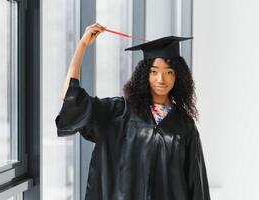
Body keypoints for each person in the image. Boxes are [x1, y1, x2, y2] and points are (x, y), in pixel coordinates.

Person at [55, 22, 211, 200]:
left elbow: (197, 187)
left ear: (178, 76)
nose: (161, 79)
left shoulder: (185, 126)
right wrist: (81, 46)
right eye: (154, 71)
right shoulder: (118, 113)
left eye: (169, 72)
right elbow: (72, 98)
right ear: (145, 74)